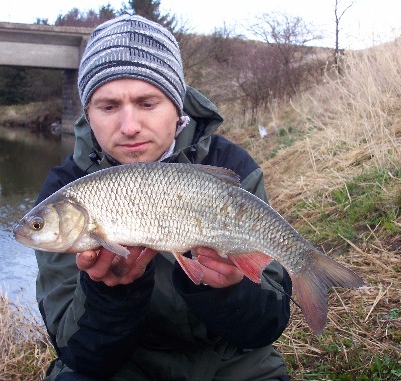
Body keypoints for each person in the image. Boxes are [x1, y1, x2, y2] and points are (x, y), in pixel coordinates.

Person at [35, 14, 292, 381]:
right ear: (88, 113)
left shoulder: (229, 166)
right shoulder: (68, 190)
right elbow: (79, 354)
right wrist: (110, 295)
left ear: (177, 105)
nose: (129, 127)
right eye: (108, 107)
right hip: (122, 368)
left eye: (147, 103)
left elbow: (266, 327)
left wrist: (230, 290)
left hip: (225, 362)